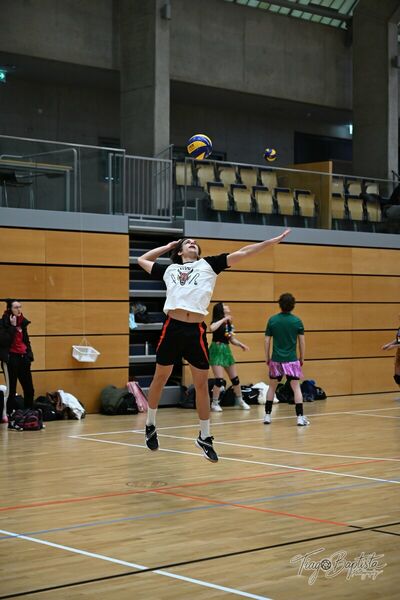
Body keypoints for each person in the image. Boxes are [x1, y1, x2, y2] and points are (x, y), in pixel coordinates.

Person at [137, 230, 291, 462]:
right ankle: (150, 425)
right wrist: (167, 247)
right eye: (187, 242)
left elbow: (243, 253)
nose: (192, 243)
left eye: (195, 242)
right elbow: (142, 260)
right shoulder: (170, 269)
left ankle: (205, 437)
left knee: (201, 385)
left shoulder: (208, 265)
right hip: (172, 328)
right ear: (179, 251)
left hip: (195, 331)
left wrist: (270, 242)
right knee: (160, 377)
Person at [263, 292, 308, 426]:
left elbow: (266, 341)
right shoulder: (297, 321)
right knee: (296, 388)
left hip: (276, 359)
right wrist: (302, 357)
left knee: (272, 387)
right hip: (292, 360)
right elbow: (302, 342)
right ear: (293, 305)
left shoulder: (272, 320)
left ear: (280, 304)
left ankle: (267, 416)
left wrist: (267, 357)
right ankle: (300, 417)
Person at [209, 302, 250, 412]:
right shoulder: (217, 321)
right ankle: (214, 403)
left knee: (235, 379)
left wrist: (241, 345)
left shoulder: (228, 324)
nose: (227, 306)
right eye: (224, 306)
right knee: (219, 380)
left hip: (226, 351)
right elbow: (212, 328)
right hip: (216, 350)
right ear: (221, 310)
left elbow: (231, 339)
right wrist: (224, 319)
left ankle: (240, 400)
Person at [0, 299, 35, 423]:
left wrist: (29, 355)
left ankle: (29, 415)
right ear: (10, 309)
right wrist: (13, 327)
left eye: (20, 307)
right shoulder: (3, 323)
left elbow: (26, 341)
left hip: (23, 358)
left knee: (29, 389)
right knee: (11, 391)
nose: (19, 309)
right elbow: (3, 341)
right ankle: (9, 415)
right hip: (11, 359)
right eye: (16, 307)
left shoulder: (23, 322)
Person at [382, 319, 400, 391]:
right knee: (397, 377)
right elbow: (398, 340)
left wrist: (393, 346)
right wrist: (389, 344)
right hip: (399, 353)